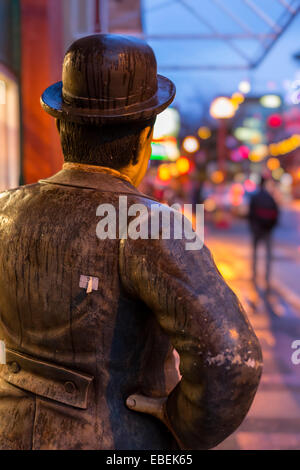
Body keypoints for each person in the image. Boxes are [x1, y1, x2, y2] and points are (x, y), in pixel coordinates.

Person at [0, 34, 262, 450]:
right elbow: (232, 364)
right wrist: (178, 425)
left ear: (62, 128)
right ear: (145, 139)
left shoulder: (4, 210)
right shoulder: (150, 225)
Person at [249, 177, 279, 289]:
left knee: (255, 253)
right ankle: (267, 277)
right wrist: (271, 227)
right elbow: (276, 213)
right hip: (268, 230)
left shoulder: (255, 197)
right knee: (268, 254)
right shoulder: (270, 198)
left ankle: (254, 274)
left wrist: (253, 227)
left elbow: (250, 215)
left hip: (257, 229)